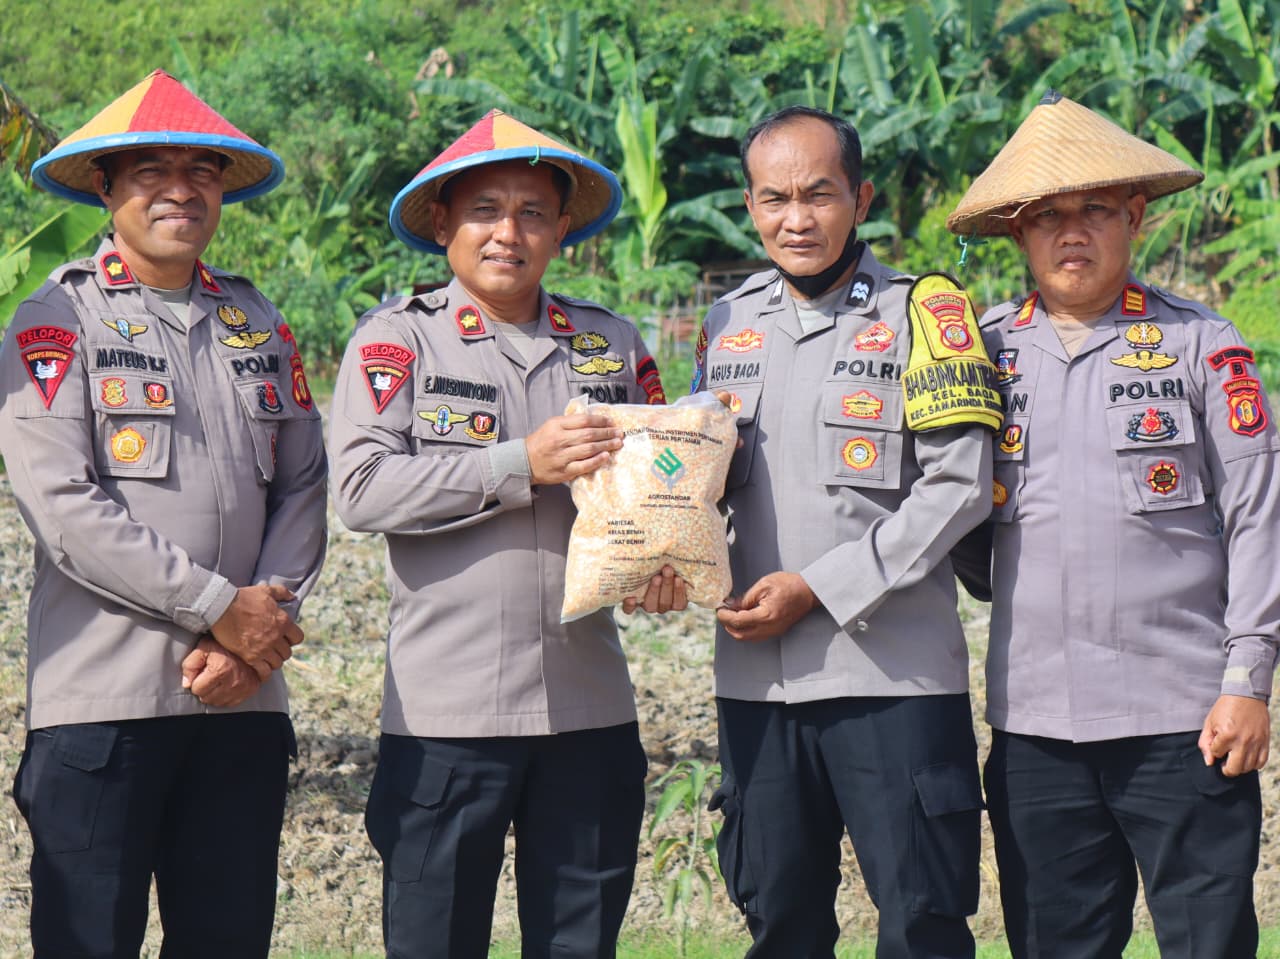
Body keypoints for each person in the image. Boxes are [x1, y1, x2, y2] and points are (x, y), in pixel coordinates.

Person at [328, 109, 679, 959]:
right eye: (485, 210)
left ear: (562, 228)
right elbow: (362, 490)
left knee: (579, 944)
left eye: (532, 213)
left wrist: (663, 559)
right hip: (448, 714)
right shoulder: (397, 341)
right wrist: (519, 461)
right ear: (442, 221)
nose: (508, 233)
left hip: (588, 706)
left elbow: (662, 483)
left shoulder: (610, 341)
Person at [1, 70, 327, 958]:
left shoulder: (258, 320)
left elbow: (304, 485)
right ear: (105, 185)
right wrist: (220, 608)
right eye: (150, 170)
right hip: (105, 706)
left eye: (201, 170)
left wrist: (258, 629)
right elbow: (63, 507)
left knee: (227, 939)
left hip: (242, 703)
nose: (180, 189)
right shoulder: (56, 318)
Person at [946, 90, 1279, 959]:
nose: (1072, 233)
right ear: (1017, 233)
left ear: (1134, 216)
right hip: (1036, 726)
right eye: (1046, 216)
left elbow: (1258, 515)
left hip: (1185, 715)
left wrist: (1248, 680)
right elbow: (953, 517)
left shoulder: (1200, 345)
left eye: (1094, 209)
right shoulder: (982, 356)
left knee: (1209, 943)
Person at [694, 105, 999, 958]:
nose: (796, 219)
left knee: (921, 925)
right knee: (779, 923)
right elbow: (699, 481)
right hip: (757, 685)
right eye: (774, 199)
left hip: (891, 677)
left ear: (860, 198)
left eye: (819, 195)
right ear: (750, 206)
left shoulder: (924, 313)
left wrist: (819, 587)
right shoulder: (725, 325)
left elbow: (959, 487)